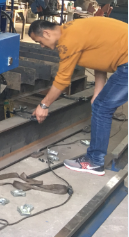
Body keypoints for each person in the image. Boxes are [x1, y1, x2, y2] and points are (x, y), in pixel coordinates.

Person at [28, 17, 128, 176]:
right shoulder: (71, 29)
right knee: (100, 104)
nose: (41, 46)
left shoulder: (67, 42)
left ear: (46, 33)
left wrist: (44, 105)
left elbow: (62, 80)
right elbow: (100, 59)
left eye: (39, 41)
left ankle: (94, 161)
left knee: (102, 108)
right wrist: (98, 92)